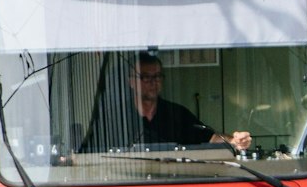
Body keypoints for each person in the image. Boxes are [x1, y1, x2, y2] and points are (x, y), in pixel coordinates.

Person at [87, 53, 253, 151]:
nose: (153, 82)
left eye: (158, 76)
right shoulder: (114, 117)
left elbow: (209, 137)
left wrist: (233, 140)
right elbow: (91, 151)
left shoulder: (177, 114)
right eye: (146, 77)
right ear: (131, 81)